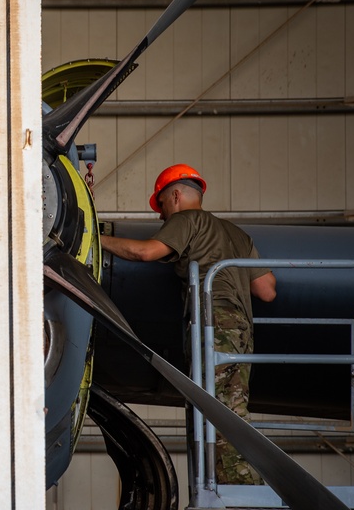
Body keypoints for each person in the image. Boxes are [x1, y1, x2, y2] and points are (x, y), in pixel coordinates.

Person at [99, 163, 276, 485]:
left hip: (212, 324)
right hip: (241, 329)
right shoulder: (237, 234)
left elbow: (145, 253)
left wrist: (97, 240)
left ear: (176, 195)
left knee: (217, 411)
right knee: (233, 406)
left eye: (162, 206)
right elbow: (266, 290)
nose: (161, 217)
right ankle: (239, 481)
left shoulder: (186, 220)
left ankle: (241, 485)